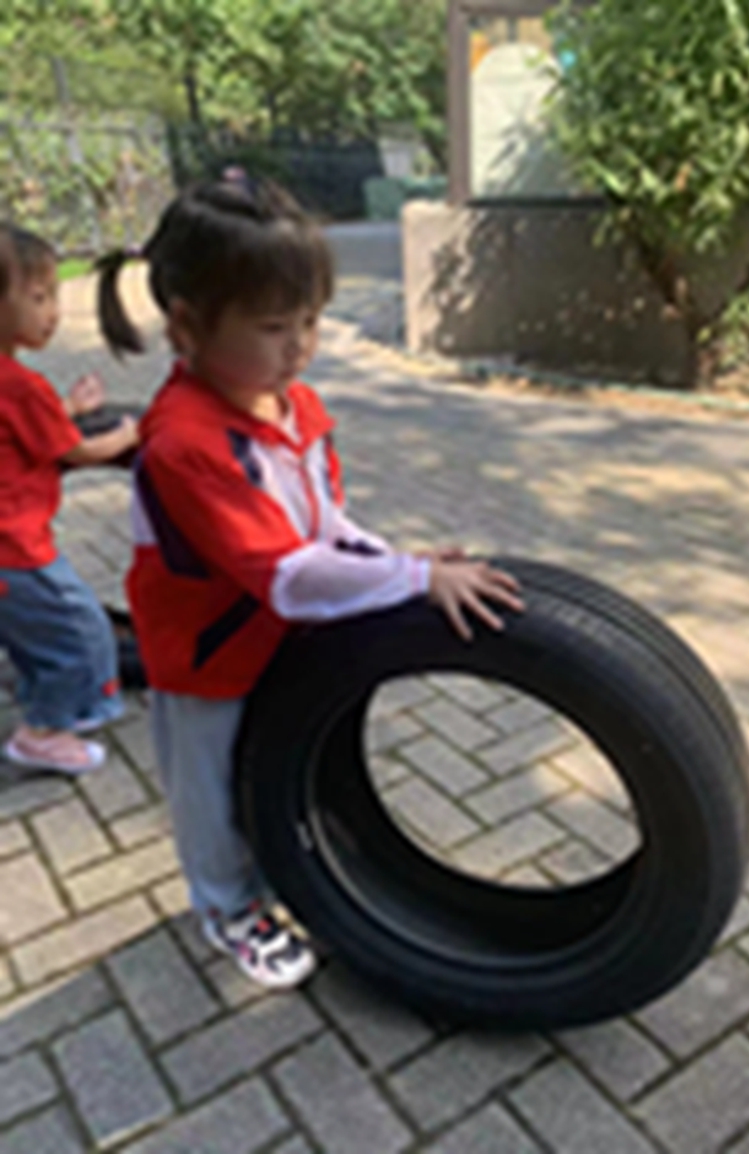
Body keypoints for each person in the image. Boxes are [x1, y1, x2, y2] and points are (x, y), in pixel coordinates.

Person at [96, 175, 524, 990]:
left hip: (279, 638)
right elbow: (287, 575)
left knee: (278, 766)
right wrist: (409, 578)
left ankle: (288, 877)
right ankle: (228, 909)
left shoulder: (288, 404)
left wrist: (400, 564)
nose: (298, 346)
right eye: (272, 327)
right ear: (187, 326)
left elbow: (323, 524)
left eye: (310, 322)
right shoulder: (187, 443)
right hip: (207, 657)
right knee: (212, 791)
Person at [0, 223, 138, 775]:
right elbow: (77, 451)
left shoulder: (16, 385)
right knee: (81, 628)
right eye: (39, 298)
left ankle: (47, 697)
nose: (54, 313)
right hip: (16, 549)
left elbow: (31, 432)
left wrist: (69, 410)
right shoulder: (20, 386)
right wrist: (129, 433)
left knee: (31, 631)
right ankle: (44, 730)